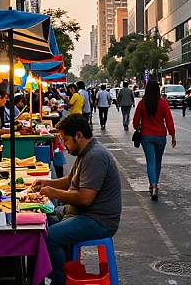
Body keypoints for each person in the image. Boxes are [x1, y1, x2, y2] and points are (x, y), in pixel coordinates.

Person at [32, 114, 121, 285]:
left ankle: (59, 280)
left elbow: (85, 198)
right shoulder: (84, 153)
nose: (64, 146)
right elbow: (68, 181)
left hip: (98, 220)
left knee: (51, 237)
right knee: (45, 219)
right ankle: (64, 269)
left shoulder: (95, 156)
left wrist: (52, 192)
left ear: (78, 136)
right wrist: (46, 183)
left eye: (66, 140)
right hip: (81, 214)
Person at [132, 80, 176, 201]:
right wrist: (172, 134)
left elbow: (135, 122)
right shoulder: (163, 103)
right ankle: (155, 183)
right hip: (161, 136)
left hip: (146, 136)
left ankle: (153, 185)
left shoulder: (142, 103)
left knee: (150, 162)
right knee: (158, 161)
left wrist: (139, 127)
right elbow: (169, 120)